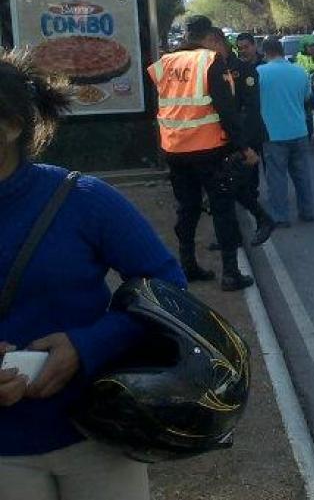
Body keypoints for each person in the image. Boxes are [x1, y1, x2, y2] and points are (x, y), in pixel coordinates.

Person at [0, 48, 186, 500]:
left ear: (10, 127)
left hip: (95, 438)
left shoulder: (81, 199)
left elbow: (167, 287)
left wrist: (87, 346)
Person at [147, 15, 255, 291]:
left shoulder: (164, 63)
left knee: (188, 208)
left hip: (174, 149)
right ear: (207, 35)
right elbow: (226, 110)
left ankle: (188, 265)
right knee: (222, 208)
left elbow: (160, 105)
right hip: (208, 149)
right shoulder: (210, 61)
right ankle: (230, 273)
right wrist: (244, 147)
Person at [208, 31, 274, 250]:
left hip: (244, 139)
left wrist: (241, 142)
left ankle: (257, 224)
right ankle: (233, 235)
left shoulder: (245, 71)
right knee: (227, 190)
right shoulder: (214, 69)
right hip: (223, 140)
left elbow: (250, 109)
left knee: (245, 185)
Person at [257, 38, 314, 226]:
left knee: (276, 178)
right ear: (282, 51)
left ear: (265, 53)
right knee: (302, 175)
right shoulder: (300, 71)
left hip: (273, 134)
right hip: (299, 131)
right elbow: (307, 97)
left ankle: (280, 216)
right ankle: (307, 211)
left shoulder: (259, 73)